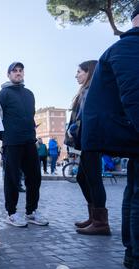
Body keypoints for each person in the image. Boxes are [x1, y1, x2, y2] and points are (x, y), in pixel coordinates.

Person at [81, 6, 139, 269]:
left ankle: (132, 253)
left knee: (135, 190)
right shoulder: (131, 47)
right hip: (121, 131)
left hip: (119, 131)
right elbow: (135, 95)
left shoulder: (126, 46)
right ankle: (135, 257)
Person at [0, 62, 48, 227]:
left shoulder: (29, 94)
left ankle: (31, 212)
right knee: (12, 179)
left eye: (20, 71)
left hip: (29, 141)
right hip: (12, 142)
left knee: (34, 177)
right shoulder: (3, 94)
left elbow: (30, 117)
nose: (18, 73)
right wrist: (5, 136)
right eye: (15, 71)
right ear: (9, 75)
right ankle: (11, 214)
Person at [63, 60, 109, 236]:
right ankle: (94, 217)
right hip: (87, 141)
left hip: (92, 141)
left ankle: (101, 222)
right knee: (83, 178)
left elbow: (88, 117)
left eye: (79, 72)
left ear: (89, 72)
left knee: (93, 179)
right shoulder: (85, 91)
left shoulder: (92, 91)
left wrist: (74, 130)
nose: (76, 75)